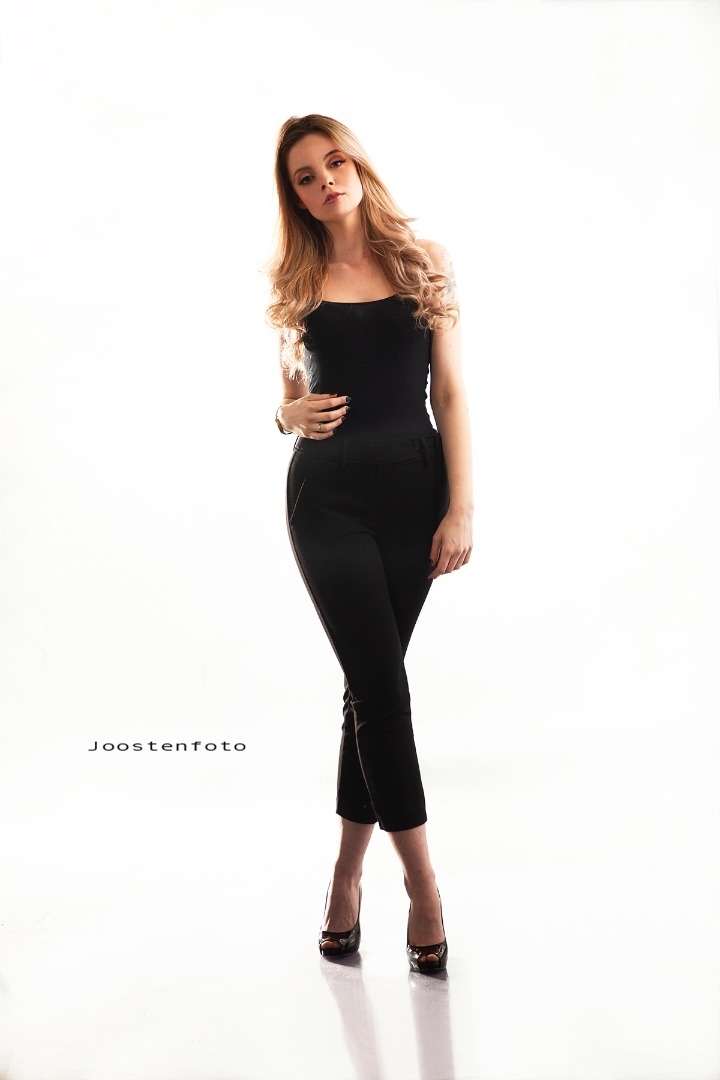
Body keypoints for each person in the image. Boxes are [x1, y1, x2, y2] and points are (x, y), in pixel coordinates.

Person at [267, 114, 473, 973]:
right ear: (296, 197)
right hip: (327, 500)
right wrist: (284, 414)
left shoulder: (425, 261)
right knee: (385, 692)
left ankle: (345, 878)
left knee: (368, 689)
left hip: (414, 494)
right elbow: (291, 395)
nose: (325, 182)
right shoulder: (295, 279)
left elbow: (450, 394)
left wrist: (460, 507)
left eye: (334, 163)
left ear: (357, 164)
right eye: (305, 177)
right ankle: (423, 888)